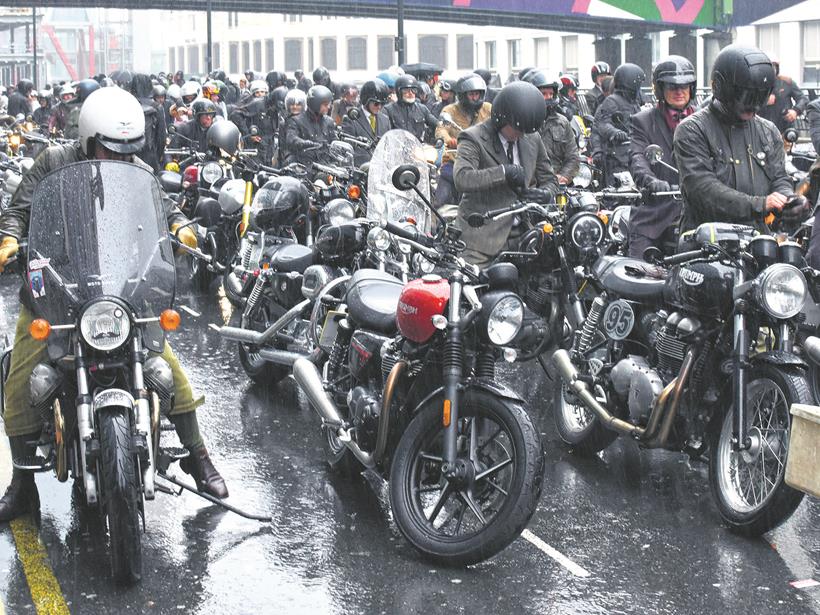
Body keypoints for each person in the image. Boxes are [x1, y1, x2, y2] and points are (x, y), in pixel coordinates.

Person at [0, 88, 228, 522]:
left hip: (120, 291)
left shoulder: (137, 170)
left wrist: (180, 229)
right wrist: (10, 239)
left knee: (166, 366)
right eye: (110, 148)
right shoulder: (53, 162)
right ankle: (22, 485)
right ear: (87, 138)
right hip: (56, 290)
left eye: (127, 152)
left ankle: (198, 457)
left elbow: (163, 208)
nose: (120, 158)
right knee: (18, 381)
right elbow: (19, 211)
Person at [674, 45, 809, 234]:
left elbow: (779, 177)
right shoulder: (692, 129)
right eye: (747, 96)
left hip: (756, 238)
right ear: (722, 88)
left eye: (760, 96)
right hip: (705, 241)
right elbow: (702, 189)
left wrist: (790, 200)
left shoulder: (768, 131)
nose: (754, 104)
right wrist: (760, 204)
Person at [453, 81, 559, 266]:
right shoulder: (473, 138)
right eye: (517, 129)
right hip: (481, 240)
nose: (521, 135)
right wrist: (503, 172)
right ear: (502, 119)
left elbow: (549, 178)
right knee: (471, 287)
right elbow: (462, 178)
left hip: (524, 235)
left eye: (526, 131)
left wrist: (546, 193)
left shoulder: (531, 136)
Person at [627, 56, 696, 259]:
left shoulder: (705, 120)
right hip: (657, 211)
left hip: (698, 212)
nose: (679, 91)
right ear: (659, 89)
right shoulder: (643, 121)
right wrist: (651, 181)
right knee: (637, 273)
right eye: (671, 86)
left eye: (684, 86)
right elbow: (637, 156)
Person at [434, 73, 492, 207]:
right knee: (439, 200)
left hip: (482, 163)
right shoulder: (450, 110)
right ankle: (436, 224)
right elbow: (441, 129)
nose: (474, 97)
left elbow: (498, 125)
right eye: (471, 94)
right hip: (455, 162)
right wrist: (448, 139)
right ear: (462, 95)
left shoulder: (488, 109)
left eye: (477, 94)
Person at [592, 63, 645, 186]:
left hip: (634, 154)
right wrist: (615, 133)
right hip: (617, 157)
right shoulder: (612, 101)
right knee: (620, 191)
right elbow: (602, 123)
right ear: (630, 82)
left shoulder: (635, 103)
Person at [525, 70, 579, 187]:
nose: (548, 97)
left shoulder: (562, 122)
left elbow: (573, 156)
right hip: (530, 186)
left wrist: (564, 176)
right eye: (544, 94)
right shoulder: (523, 123)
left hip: (557, 184)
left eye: (551, 94)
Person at [341, 79, 390, 167]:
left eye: (382, 104)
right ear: (366, 100)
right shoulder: (351, 119)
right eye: (376, 103)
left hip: (381, 170)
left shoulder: (385, 120)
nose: (379, 107)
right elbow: (347, 149)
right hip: (360, 171)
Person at [284, 85, 336, 166]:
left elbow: (334, 141)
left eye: (329, 104)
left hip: (324, 163)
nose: (328, 107)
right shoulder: (296, 120)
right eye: (325, 105)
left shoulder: (329, 121)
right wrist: (309, 144)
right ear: (315, 104)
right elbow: (291, 139)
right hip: (303, 163)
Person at [758, 55, 809, 134]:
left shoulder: (786, 82)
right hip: (762, 131)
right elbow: (746, 104)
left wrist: (795, 111)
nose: (771, 69)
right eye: (768, 66)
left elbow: (803, 99)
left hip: (785, 130)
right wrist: (764, 101)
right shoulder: (756, 84)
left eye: (774, 66)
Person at [384, 75, 438, 143]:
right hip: (397, 150)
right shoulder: (388, 110)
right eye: (406, 90)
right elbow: (383, 133)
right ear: (398, 91)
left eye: (413, 90)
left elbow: (438, 125)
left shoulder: (422, 109)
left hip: (419, 149)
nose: (411, 93)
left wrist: (439, 139)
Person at [130, 73, 167, 173]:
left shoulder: (128, 104)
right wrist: (157, 156)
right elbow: (161, 138)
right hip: (150, 157)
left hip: (130, 157)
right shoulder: (157, 107)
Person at [278, 88, 306, 166]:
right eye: (292, 104)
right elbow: (282, 146)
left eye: (298, 104)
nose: (295, 107)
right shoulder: (284, 123)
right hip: (289, 160)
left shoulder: (308, 121)